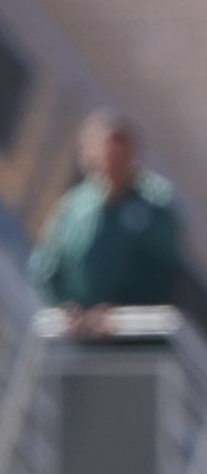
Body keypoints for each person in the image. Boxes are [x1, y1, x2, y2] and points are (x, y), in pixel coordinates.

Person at [29, 112, 182, 337]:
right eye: (107, 152)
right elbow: (45, 267)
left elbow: (164, 270)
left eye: (120, 152)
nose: (113, 160)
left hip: (137, 340)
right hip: (78, 340)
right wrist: (67, 307)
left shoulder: (154, 204)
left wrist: (119, 310)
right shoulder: (74, 206)